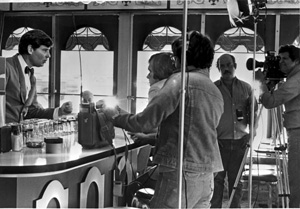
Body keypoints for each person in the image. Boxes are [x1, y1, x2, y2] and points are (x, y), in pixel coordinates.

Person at [99, 31, 224, 208]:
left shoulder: (180, 82)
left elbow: (146, 121)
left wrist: (116, 117)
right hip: (208, 173)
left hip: (182, 171)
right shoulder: (214, 90)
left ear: (182, 57)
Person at [210, 53, 258, 208]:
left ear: (235, 66)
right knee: (216, 182)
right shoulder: (213, 89)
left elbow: (253, 114)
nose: (226, 69)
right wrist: (212, 140)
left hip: (240, 143)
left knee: (236, 183)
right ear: (218, 68)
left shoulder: (246, 88)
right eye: (222, 66)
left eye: (229, 65)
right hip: (219, 144)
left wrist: (252, 135)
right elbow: (207, 116)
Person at [257, 44, 300, 208]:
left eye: (285, 59)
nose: (280, 63)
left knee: (296, 179)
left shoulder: (296, 80)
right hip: (295, 129)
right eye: (279, 59)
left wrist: (261, 84)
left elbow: (270, 101)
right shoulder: (292, 78)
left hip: (297, 132)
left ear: (296, 61)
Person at [5, 29, 72, 123]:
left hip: (15, 134)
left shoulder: (31, 77)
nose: (49, 56)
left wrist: (60, 111)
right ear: (30, 49)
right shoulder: (5, 67)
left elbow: (31, 111)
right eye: (45, 50)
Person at [129, 52, 176, 146]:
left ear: (159, 71)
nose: (147, 76)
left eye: (150, 71)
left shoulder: (156, 88)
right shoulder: (176, 85)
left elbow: (153, 122)